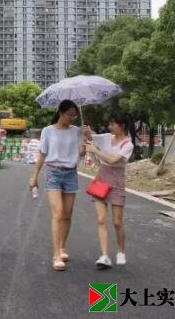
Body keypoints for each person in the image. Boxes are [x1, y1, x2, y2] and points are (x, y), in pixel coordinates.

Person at [29, 100, 86, 271]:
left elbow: (82, 153)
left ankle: (62, 247)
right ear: (61, 113)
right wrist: (34, 176)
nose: (72, 118)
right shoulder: (48, 131)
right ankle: (56, 255)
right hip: (53, 172)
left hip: (71, 173)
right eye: (70, 114)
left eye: (74, 115)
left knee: (67, 214)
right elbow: (42, 154)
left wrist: (86, 139)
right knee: (58, 213)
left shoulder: (77, 131)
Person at [84, 112, 135, 269]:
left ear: (122, 126)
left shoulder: (128, 144)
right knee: (101, 219)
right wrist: (87, 132)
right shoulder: (106, 137)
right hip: (101, 178)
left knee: (117, 222)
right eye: (110, 123)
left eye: (113, 124)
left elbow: (113, 160)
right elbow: (92, 137)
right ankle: (105, 256)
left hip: (117, 182)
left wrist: (96, 151)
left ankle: (121, 251)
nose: (110, 126)